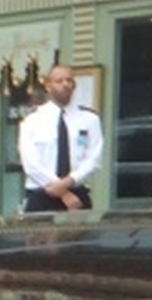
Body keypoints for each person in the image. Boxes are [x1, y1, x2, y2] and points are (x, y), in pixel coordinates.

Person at [19, 63, 103, 213]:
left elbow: (93, 158)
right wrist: (63, 192)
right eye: (59, 81)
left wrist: (69, 181)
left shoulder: (89, 119)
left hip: (77, 195)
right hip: (42, 193)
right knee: (41, 237)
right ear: (48, 86)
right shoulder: (33, 121)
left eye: (69, 81)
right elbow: (31, 165)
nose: (65, 85)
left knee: (78, 236)